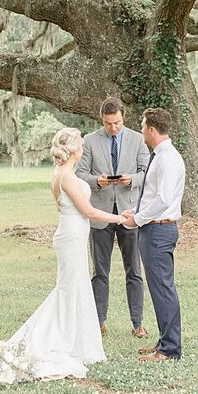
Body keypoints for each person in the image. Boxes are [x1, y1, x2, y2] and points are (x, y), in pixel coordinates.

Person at [0, 128, 126, 383]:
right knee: (68, 289)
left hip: (71, 235)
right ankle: (57, 340)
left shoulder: (62, 173)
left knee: (72, 288)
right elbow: (88, 211)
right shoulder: (66, 176)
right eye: (82, 146)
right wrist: (119, 218)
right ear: (74, 149)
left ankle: (76, 341)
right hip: (72, 238)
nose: (85, 150)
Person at [76, 97, 150, 338]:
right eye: (108, 124)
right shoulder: (89, 141)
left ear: (123, 118)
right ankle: (98, 322)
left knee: (134, 270)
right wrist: (97, 181)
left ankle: (137, 322)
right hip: (100, 213)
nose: (113, 128)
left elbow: (147, 171)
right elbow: (79, 173)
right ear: (102, 120)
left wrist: (134, 180)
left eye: (117, 122)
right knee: (100, 271)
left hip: (129, 213)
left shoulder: (138, 139)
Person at [121, 107, 185, 362]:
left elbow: (163, 199)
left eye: (143, 125)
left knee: (163, 289)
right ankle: (164, 341)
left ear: (152, 130)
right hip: (153, 226)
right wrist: (135, 210)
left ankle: (169, 349)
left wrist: (137, 219)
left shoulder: (168, 158)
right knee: (159, 288)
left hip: (159, 230)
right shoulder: (160, 155)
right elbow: (152, 196)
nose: (141, 131)